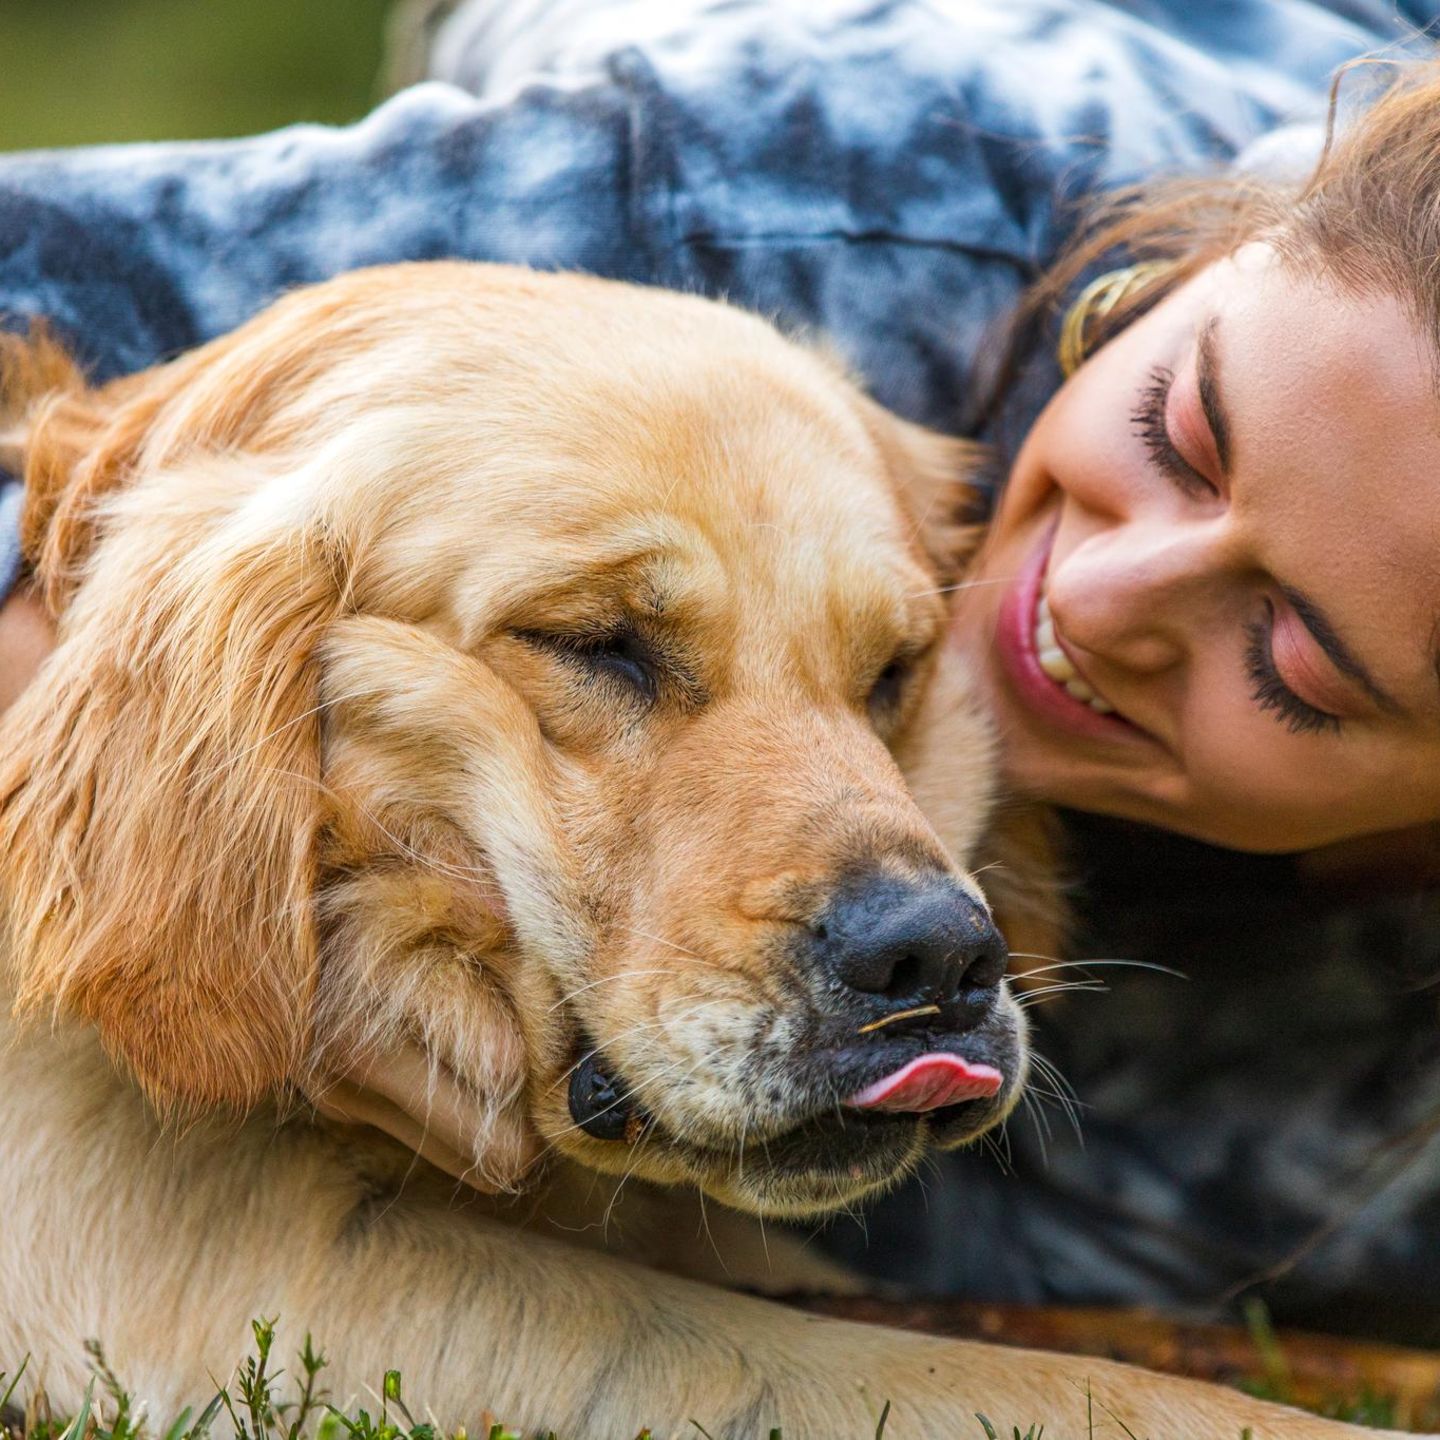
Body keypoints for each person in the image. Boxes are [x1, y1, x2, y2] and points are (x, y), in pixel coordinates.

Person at [3, 0, 1440, 1345]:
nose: (1087, 591)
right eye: (1179, 431)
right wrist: (209, 874)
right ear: (1191, 272)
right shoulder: (763, 210)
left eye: (1296, 658)